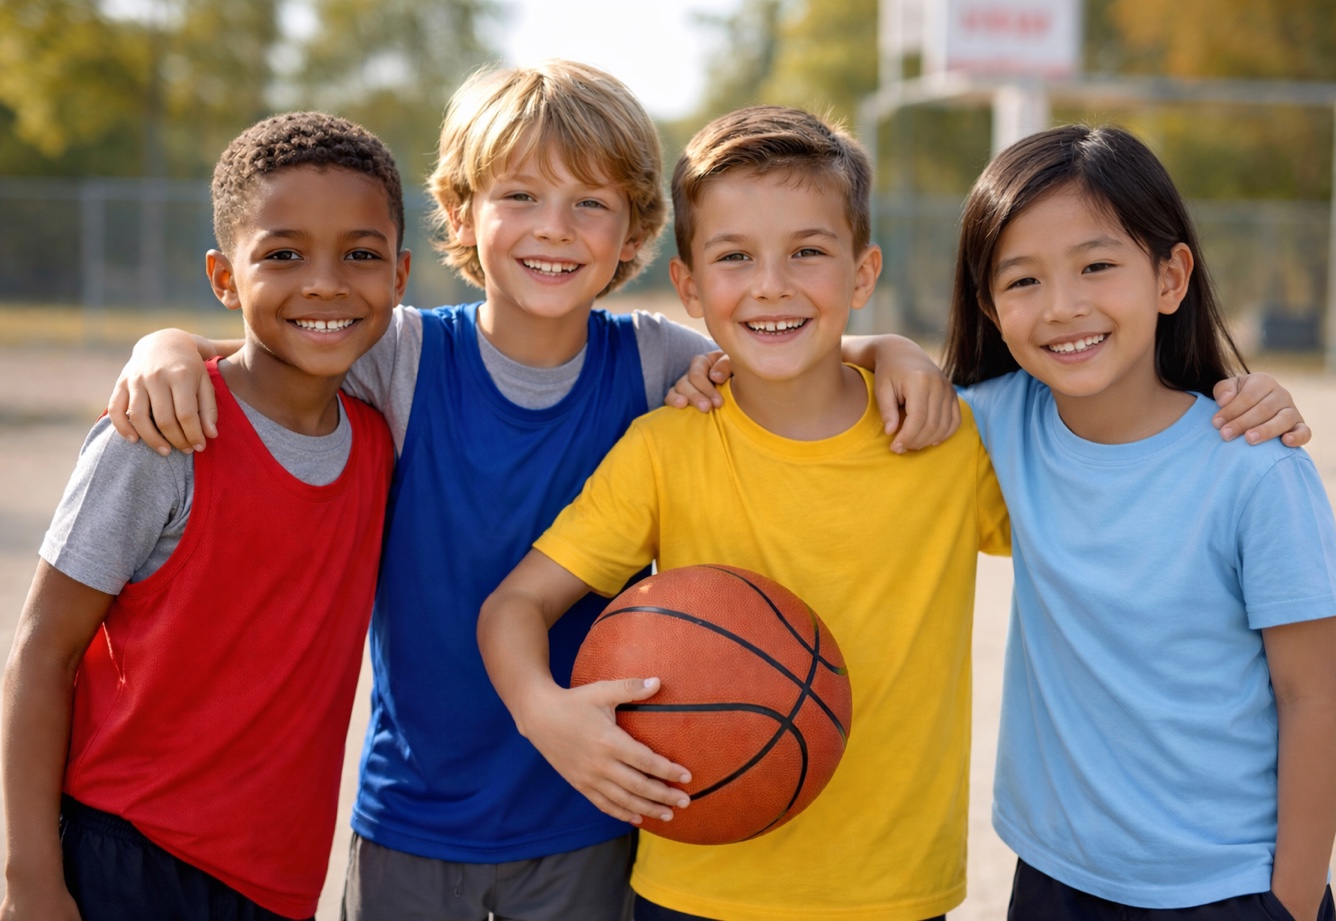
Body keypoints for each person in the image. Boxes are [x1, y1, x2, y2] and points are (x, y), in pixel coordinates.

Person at [101, 62, 955, 921]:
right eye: (520, 196)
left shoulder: (656, 360)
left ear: (633, 232)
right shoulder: (401, 356)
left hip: (589, 817)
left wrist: (886, 351)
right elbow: (280, 338)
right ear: (463, 213)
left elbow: (780, 333)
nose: (556, 229)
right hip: (411, 817)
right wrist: (169, 344)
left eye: (590, 202)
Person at [477, 103, 1013, 921]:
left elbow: (1108, 486)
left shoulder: (941, 437)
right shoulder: (668, 447)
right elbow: (515, 604)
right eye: (735, 257)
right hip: (696, 887)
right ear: (688, 286)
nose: (773, 284)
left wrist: (1231, 400)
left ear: (864, 273)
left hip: (890, 894)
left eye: (808, 251)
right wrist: (544, 711)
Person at [943, 124, 1336, 921]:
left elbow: (1314, 700)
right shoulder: (999, 424)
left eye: (1097, 266)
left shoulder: (1255, 466)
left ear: (1170, 277)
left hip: (1229, 890)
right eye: (1021, 279)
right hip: (1056, 879)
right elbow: (839, 387)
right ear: (990, 307)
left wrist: (1292, 905)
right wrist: (887, 350)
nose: (1063, 306)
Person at [0, 112, 408, 920]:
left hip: (278, 882)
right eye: (283, 254)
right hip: (124, 854)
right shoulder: (162, 433)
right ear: (225, 278)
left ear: (399, 277)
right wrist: (29, 879)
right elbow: (41, 652)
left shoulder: (379, 433)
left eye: (359, 255)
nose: (325, 282)